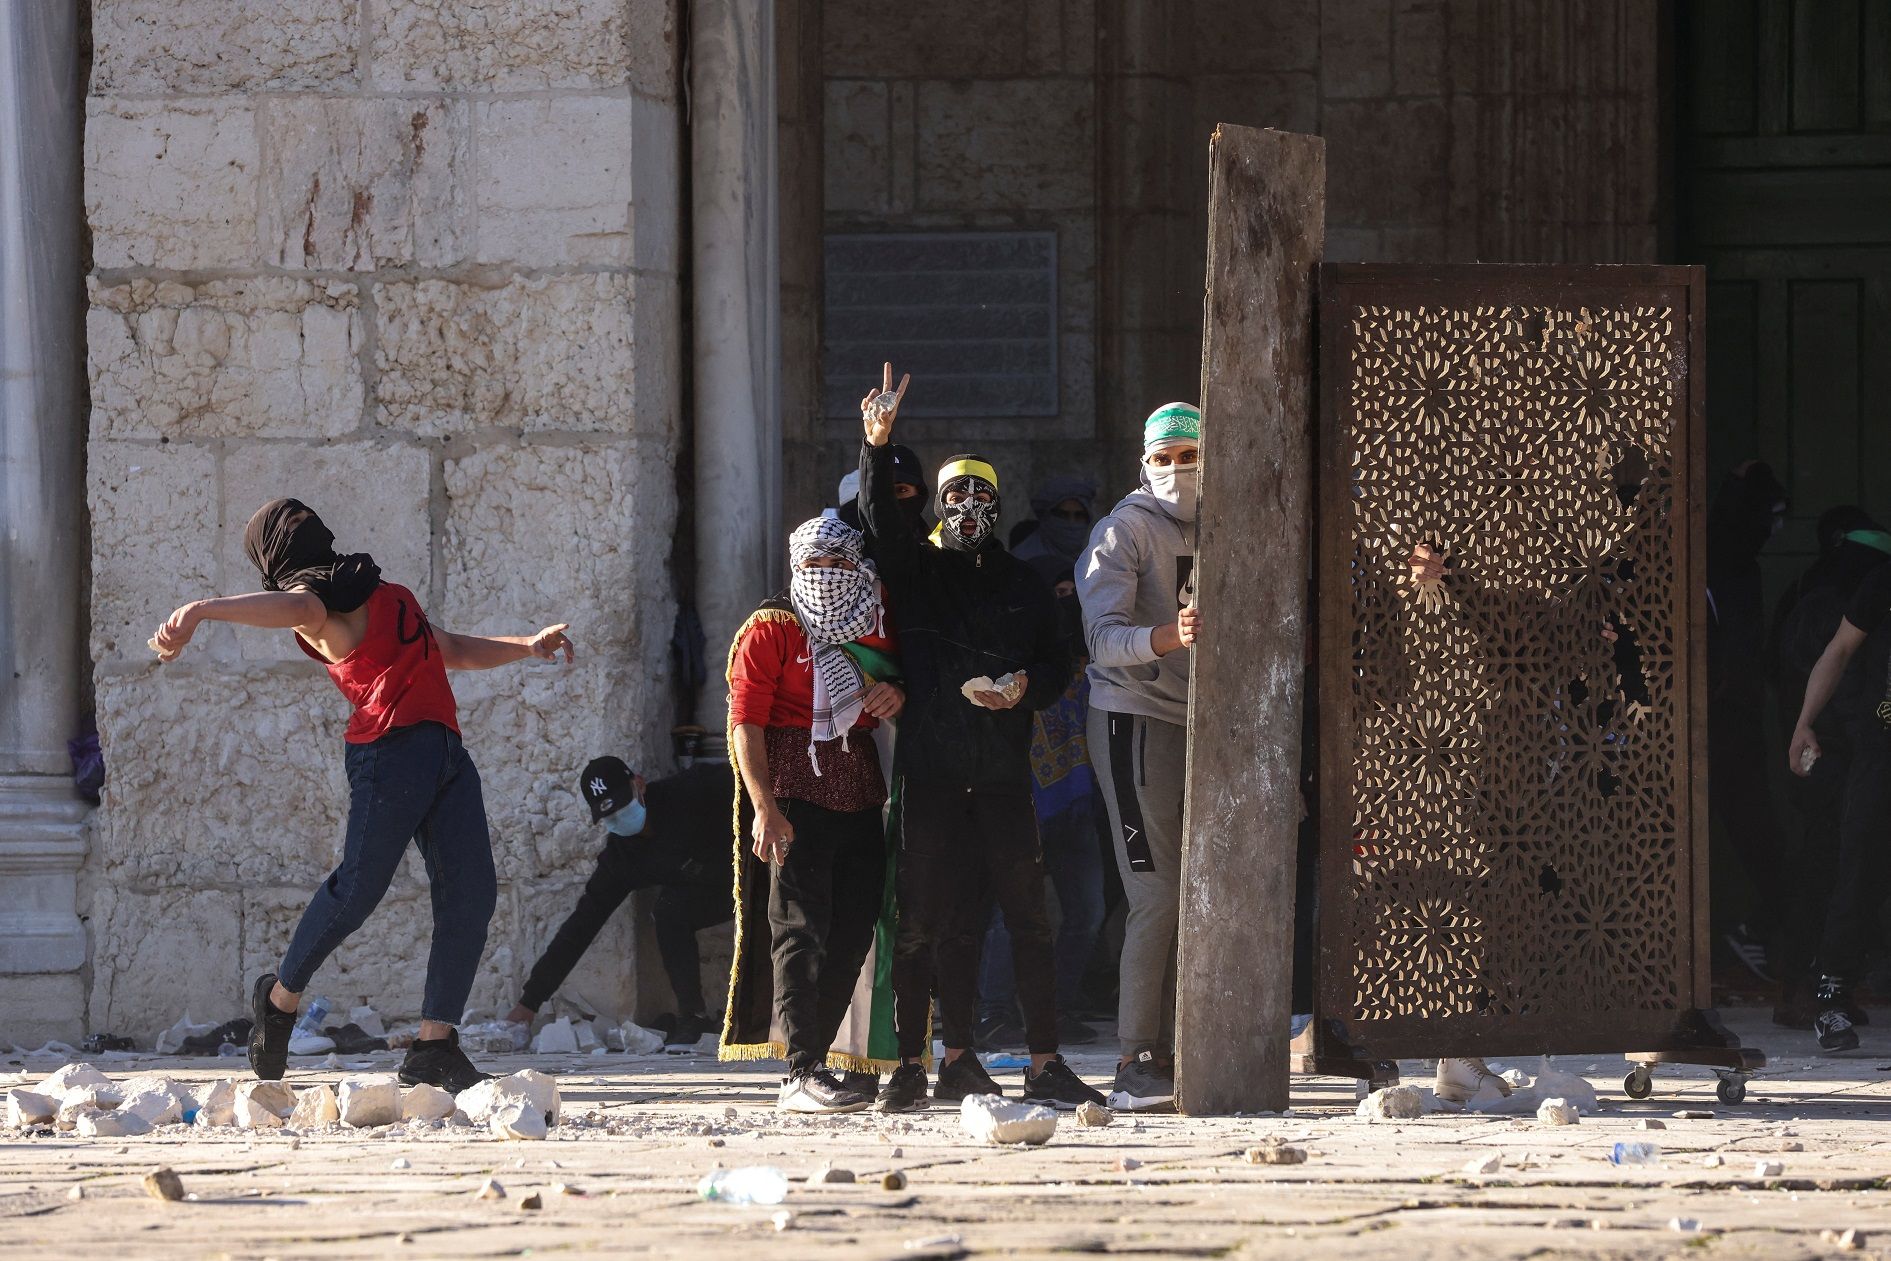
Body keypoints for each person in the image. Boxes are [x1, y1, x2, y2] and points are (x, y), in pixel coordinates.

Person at [150, 498, 575, 1093]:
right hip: (389, 754)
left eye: (306, 516)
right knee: (358, 889)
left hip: (446, 754)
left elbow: (450, 649)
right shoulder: (314, 605)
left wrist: (527, 646)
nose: (308, 525)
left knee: (471, 894)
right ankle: (278, 1001)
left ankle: (433, 1047)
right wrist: (201, 610)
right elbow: (295, 607)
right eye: (290, 525)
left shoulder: (376, 590)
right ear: (277, 553)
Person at [856, 362, 1105, 1113]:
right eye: (956, 494)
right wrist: (876, 445)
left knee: (1027, 918)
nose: (970, 506)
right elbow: (880, 524)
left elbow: (1059, 661)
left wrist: (1027, 687)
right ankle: (916, 1063)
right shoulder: (918, 570)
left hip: (1001, 773)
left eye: (982, 495)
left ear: (999, 505)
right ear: (939, 504)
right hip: (931, 771)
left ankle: (1041, 1062)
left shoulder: (1022, 582)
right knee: (924, 923)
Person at [719, 516, 907, 1112]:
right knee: (799, 929)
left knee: (853, 930)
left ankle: (818, 1060)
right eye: (812, 563)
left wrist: (898, 693)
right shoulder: (771, 627)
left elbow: (904, 680)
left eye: (836, 563)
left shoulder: (878, 622)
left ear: (856, 566)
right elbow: (745, 721)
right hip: (793, 787)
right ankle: (799, 1071)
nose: (824, 574)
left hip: (859, 785)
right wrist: (765, 807)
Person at [1075, 402, 1202, 1111]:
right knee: (1153, 891)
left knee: (1197, 891)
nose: (1177, 470)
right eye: (1164, 458)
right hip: (1133, 717)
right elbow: (1101, 639)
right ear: (1144, 464)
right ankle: (1134, 1056)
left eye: (1190, 455)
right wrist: (1168, 636)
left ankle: (1184, 1044)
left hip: (1203, 725)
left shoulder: (1230, 521)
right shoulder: (1122, 530)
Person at [503, 755, 733, 1047]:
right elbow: (581, 926)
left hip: (761, 874)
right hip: (717, 894)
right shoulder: (622, 858)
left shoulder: (692, 790)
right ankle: (693, 1017)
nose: (619, 818)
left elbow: (756, 786)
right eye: (609, 816)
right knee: (669, 911)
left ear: (639, 785)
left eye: (623, 807)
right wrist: (529, 1003)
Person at [976, 564, 1107, 1048]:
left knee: (1087, 912)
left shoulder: (1097, 660)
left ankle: (1056, 1009)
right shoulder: (1018, 654)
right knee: (1009, 915)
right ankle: (992, 1014)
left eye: (1073, 594)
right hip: (1021, 800)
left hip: (1077, 806)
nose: (1065, 604)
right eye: (1057, 593)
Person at [1767, 515, 1891, 1027]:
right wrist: (1808, 726)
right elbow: (1831, 659)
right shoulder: (1859, 590)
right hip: (1849, 753)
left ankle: (1824, 984)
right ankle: (1816, 986)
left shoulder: (1825, 586)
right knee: (1838, 864)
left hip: (1849, 748)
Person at [1707, 461, 1791, 980]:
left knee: (1757, 832)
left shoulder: (1738, 564)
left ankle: (1760, 929)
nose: (1774, 529)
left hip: (1732, 719)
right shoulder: (1716, 561)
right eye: (1771, 516)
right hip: (1716, 722)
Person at [1013, 476, 1098, 575]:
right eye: (1063, 515)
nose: (1071, 523)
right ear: (1046, 516)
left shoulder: (1096, 556)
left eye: (1079, 515)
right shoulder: (1022, 560)